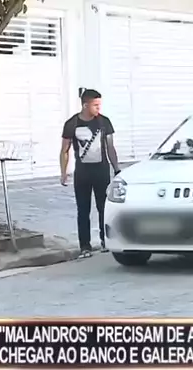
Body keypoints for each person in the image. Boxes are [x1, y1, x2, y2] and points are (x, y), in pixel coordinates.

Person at [59, 89, 121, 258]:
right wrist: (64, 172)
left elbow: (110, 147)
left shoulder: (104, 122)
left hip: (101, 171)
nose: (98, 108)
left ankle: (105, 240)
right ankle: (85, 246)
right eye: (95, 105)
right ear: (85, 105)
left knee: (104, 207)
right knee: (83, 209)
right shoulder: (72, 124)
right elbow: (64, 150)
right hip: (82, 173)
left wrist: (116, 168)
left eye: (100, 105)